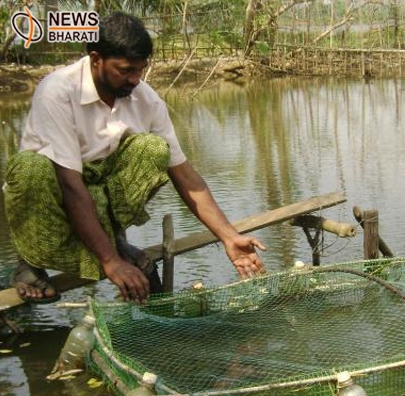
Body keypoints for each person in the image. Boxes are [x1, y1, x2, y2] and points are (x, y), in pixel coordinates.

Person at [4, 11, 266, 304]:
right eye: (125, 70)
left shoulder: (145, 98)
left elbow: (184, 174)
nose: (135, 79)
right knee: (31, 167)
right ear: (96, 59)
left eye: (141, 69)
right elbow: (70, 186)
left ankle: (112, 237)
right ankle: (31, 259)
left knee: (153, 149)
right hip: (54, 194)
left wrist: (229, 236)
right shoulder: (57, 91)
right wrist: (110, 262)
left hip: (96, 196)